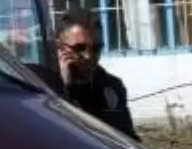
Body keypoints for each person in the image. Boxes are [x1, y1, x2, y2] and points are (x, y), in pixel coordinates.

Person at [56, 11, 139, 141]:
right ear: (60, 47)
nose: (88, 56)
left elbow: (129, 139)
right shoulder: (44, 85)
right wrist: (65, 87)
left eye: (96, 48)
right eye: (79, 48)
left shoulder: (112, 86)